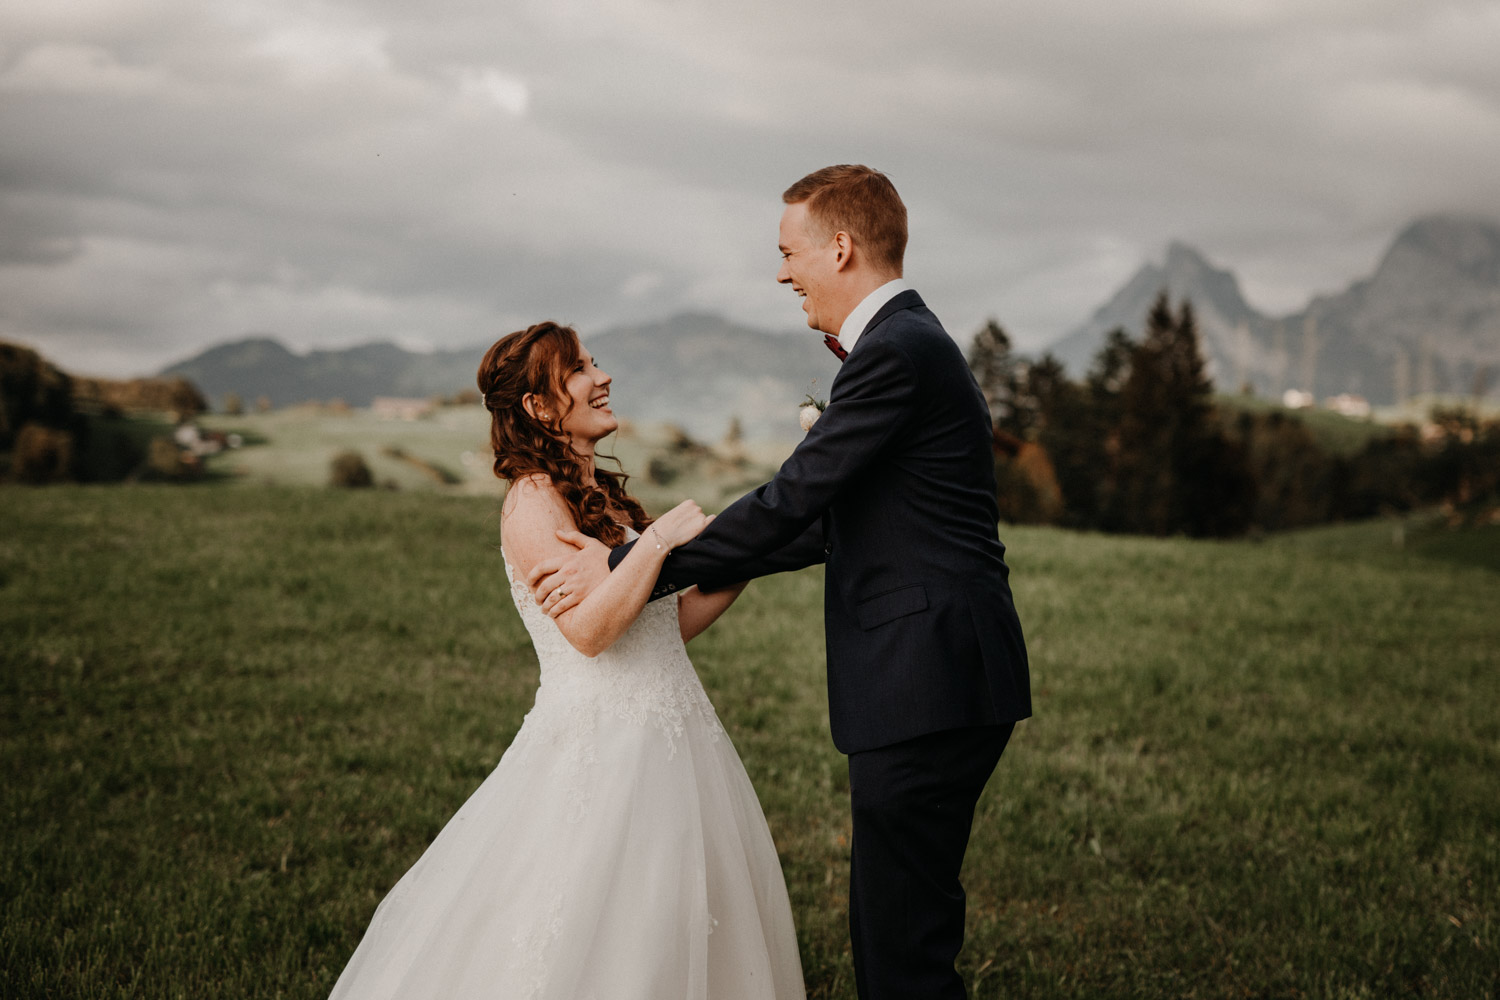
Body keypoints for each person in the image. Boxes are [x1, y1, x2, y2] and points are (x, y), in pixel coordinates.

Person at [529, 165, 1031, 999]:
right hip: (939, 673)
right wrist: (656, 565)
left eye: (788, 251)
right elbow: (824, 524)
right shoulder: (907, 345)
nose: (781, 272)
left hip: (928, 674)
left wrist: (631, 563)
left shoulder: (897, 351)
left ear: (840, 247)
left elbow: (793, 499)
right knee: (894, 926)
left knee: (903, 944)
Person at [327, 321, 806, 1000]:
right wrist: (660, 540)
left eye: (594, 362)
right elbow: (589, 632)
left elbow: (665, 625)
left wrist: (745, 557)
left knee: (678, 925)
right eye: (580, 369)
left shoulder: (603, 498)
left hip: (677, 740)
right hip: (603, 750)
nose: (601, 377)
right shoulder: (532, 500)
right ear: (540, 407)